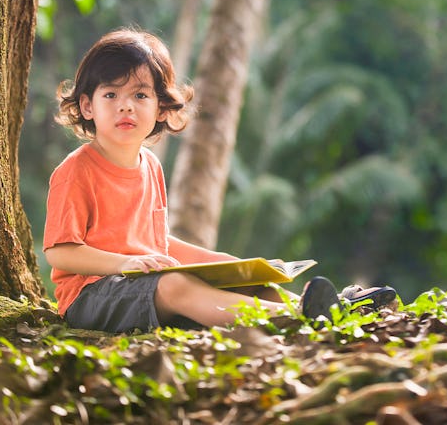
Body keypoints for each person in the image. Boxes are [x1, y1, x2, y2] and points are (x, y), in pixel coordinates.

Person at [43, 27, 395, 333]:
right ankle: (296, 317)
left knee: (248, 281)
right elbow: (61, 253)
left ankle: (324, 309)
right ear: (87, 106)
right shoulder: (77, 170)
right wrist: (123, 264)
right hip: (90, 297)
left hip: (141, 283)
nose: (126, 106)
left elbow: (158, 243)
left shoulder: (149, 165)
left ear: (162, 109)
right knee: (175, 284)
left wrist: (229, 264)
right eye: (110, 95)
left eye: (139, 95)